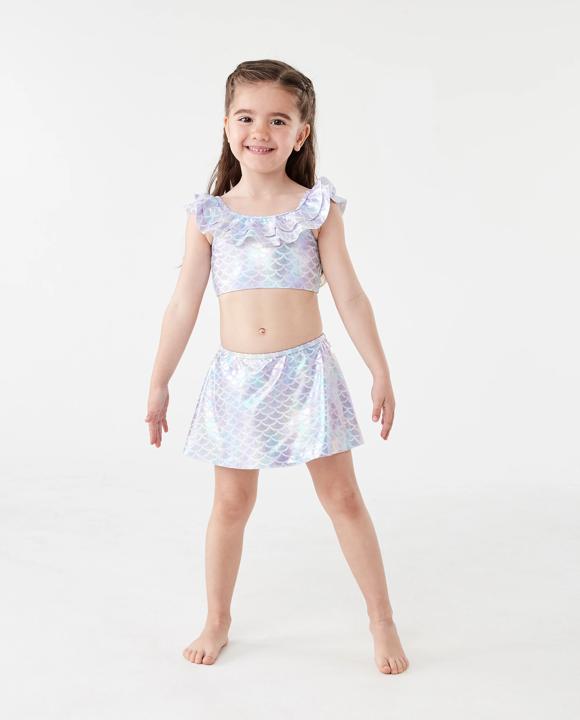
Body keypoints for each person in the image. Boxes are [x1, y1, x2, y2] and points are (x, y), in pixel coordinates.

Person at [145, 59, 409, 675]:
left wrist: (379, 369)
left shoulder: (316, 209)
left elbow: (349, 295)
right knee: (231, 503)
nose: (259, 131)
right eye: (246, 117)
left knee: (342, 496)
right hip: (237, 381)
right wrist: (159, 381)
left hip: (307, 376)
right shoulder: (209, 216)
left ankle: (381, 618)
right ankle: (217, 617)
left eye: (278, 120)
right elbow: (183, 304)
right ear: (226, 125)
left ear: (301, 132)